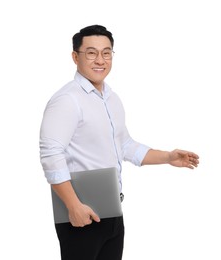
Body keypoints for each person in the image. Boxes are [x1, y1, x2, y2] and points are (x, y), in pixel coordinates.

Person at [39, 24, 199, 260]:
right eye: (91, 52)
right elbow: (51, 154)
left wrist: (167, 157)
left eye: (106, 52)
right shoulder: (67, 100)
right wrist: (73, 206)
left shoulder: (111, 99)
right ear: (75, 57)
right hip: (81, 214)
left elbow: (124, 146)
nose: (100, 60)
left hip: (112, 211)